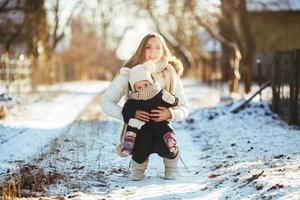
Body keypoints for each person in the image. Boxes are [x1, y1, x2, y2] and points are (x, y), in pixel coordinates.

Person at [101, 32, 190, 180]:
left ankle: (171, 164)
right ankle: (138, 167)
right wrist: (130, 115)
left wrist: (170, 114)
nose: (153, 52)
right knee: (140, 148)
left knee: (169, 143)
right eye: (149, 47)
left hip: (161, 127)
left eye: (157, 47)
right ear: (142, 49)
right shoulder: (130, 72)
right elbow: (106, 102)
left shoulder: (169, 72)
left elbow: (185, 106)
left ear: (163, 50)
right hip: (139, 128)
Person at [120, 61, 179, 157]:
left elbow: (173, 102)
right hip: (142, 127)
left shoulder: (158, 93)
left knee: (165, 127)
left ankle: (170, 140)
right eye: (139, 87)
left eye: (146, 85)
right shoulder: (133, 99)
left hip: (158, 122)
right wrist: (133, 114)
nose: (143, 88)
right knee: (132, 125)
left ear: (150, 83)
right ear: (134, 89)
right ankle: (128, 144)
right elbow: (126, 112)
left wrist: (171, 99)